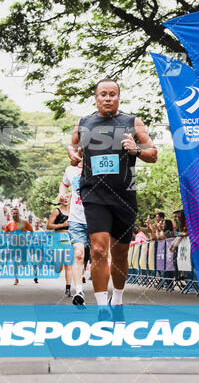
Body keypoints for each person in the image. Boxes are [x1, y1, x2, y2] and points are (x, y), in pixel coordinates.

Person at [68, 78, 157, 307]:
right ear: (96, 98)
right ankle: (100, 309)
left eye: (112, 94)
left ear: (118, 97)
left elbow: (153, 153)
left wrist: (136, 150)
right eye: (103, 94)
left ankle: (116, 300)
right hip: (94, 195)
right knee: (98, 250)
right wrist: (72, 153)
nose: (108, 98)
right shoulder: (84, 123)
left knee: (119, 254)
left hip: (124, 196)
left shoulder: (132, 122)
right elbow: (72, 145)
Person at [58, 156, 88, 305]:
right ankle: (79, 292)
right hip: (76, 220)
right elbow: (64, 184)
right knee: (77, 254)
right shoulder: (71, 171)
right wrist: (62, 193)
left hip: (97, 219)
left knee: (99, 255)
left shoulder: (99, 168)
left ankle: (110, 297)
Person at [46, 195, 73, 297]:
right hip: (57, 237)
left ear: (70, 199)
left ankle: (68, 288)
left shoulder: (73, 212)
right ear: (60, 200)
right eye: (64, 197)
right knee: (58, 268)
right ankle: (57, 266)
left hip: (68, 238)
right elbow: (48, 226)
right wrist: (62, 225)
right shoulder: (56, 211)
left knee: (68, 265)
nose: (66, 199)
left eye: (68, 197)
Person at [3, 207, 33, 285]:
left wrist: (29, 239)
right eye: (14, 213)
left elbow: (31, 231)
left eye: (17, 213)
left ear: (19, 214)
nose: (15, 215)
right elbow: (5, 235)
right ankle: (16, 278)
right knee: (14, 262)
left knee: (24, 262)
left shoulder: (24, 222)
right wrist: (6, 242)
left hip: (23, 245)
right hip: (13, 245)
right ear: (11, 214)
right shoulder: (8, 224)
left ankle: (21, 263)